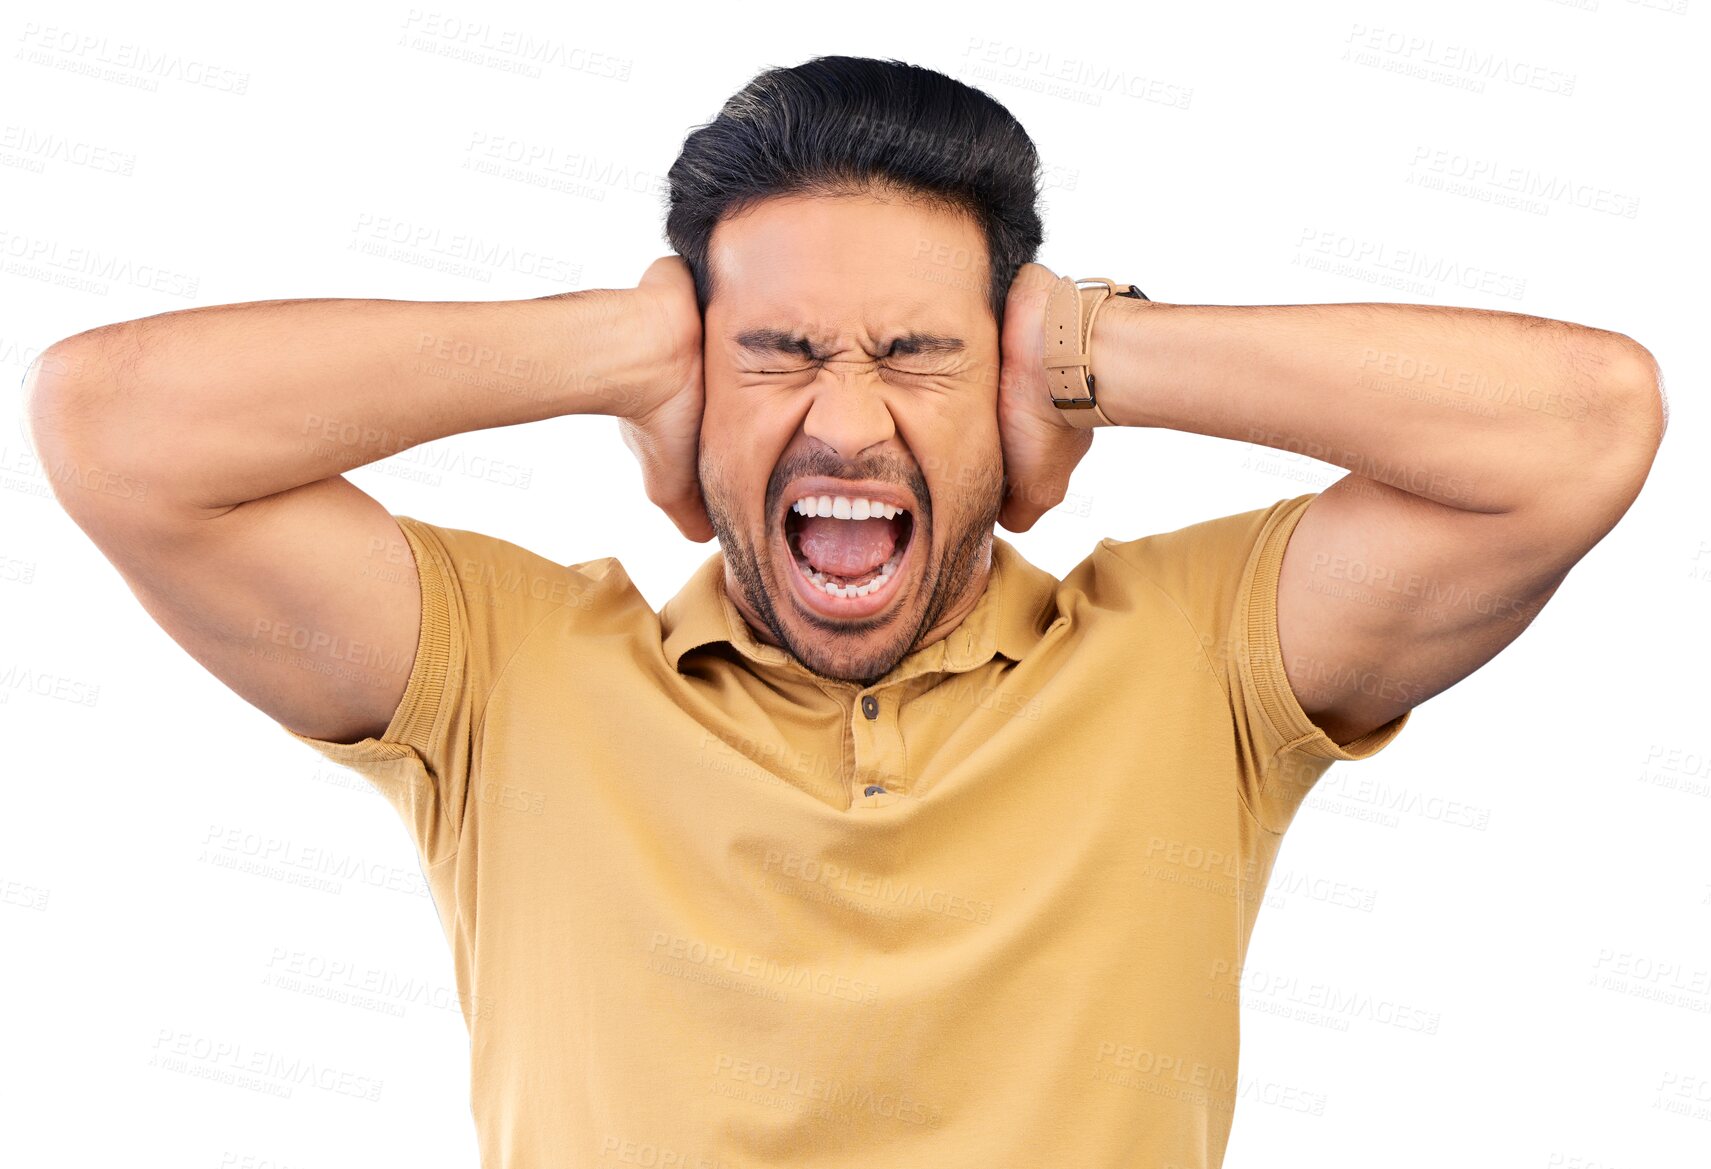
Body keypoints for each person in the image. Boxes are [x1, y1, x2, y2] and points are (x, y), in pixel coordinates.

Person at [25, 54, 1664, 1169]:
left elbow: (1581, 427)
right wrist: (607, 345)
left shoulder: (1194, 659)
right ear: (694, 387)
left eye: (919, 354)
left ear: (1010, 387)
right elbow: (112, 426)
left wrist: (1089, 346)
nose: (852, 421)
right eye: (781, 355)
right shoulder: (501, 676)